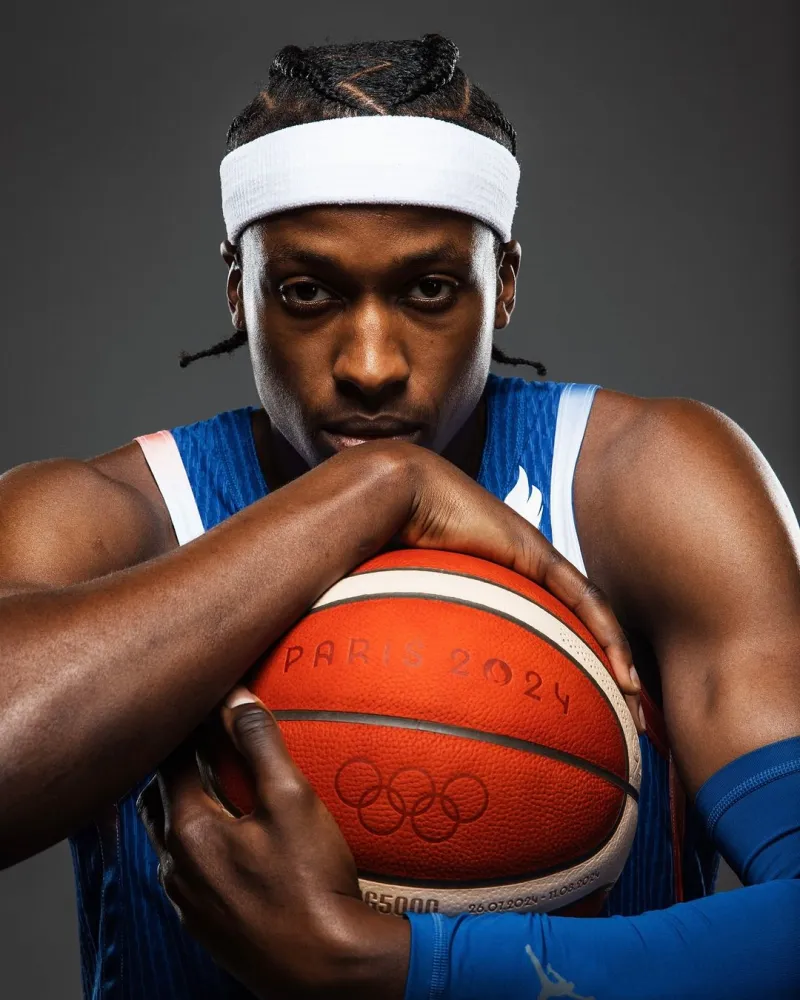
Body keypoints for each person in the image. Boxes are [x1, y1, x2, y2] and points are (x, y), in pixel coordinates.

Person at [0, 33, 797, 1000]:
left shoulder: (645, 486)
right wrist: (373, 491)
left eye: (429, 290)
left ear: (504, 284)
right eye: (306, 293)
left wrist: (396, 966)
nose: (371, 364)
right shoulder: (107, 519)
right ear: (238, 291)